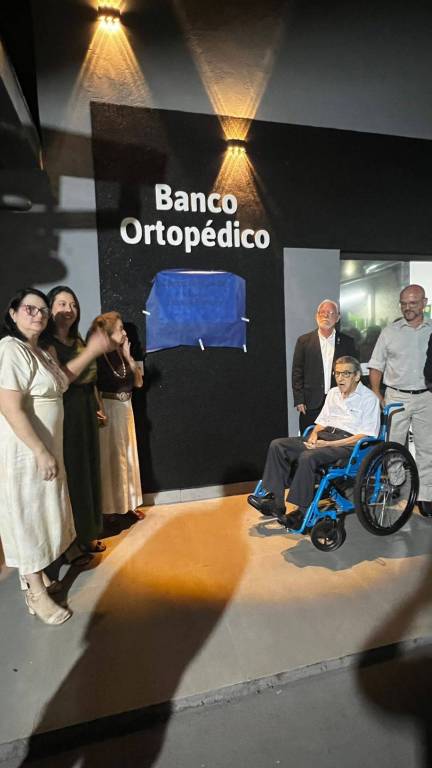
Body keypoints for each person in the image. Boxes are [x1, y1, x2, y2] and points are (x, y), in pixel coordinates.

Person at [0, 288, 111, 625]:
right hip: (26, 453)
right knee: (28, 516)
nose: (38, 314)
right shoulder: (11, 349)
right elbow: (8, 405)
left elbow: (64, 379)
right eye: (30, 309)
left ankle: (36, 578)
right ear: (13, 313)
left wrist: (92, 350)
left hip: (48, 449)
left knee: (45, 513)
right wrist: (39, 450)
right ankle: (35, 591)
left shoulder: (41, 352)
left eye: (42, 310)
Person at [248, 357, 380, 529]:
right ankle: (275, 502)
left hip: (348, 445)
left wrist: (329, 444)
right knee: (278, 445)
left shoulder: (369, 398)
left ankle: (301, 512)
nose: (340, 378)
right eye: (337, 373)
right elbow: (322, 421)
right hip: (325, 436)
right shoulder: (333, 393)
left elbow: (366, 435)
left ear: (356, 376)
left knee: (307, 457)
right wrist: (314, 434)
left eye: (346, 374)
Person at [47, 286, 105, 554]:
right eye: (61, 304)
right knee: (74, 475)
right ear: (50, 309)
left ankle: (88, 533)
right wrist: (92, 351)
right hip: (66, 413)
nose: (68, 310)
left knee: (90, 471)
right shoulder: (47, 345)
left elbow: (91, 380)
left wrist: (97, 406)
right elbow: (62, 379)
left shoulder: (78, 340)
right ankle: (72, 540)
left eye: (73, 305)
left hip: (86, 411)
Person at [368, 284, 432, 517]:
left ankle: (426, 496)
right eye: (403, 303)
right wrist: (377, 393)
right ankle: (395, 483)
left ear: (424, 303)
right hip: (396, 396)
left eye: (413, 303)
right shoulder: (389, 332)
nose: (407, 307)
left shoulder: (431, 330)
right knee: (394, 445)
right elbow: (376, 365)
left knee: (428, 448)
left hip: (426, 397)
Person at [89, 311, 144, 522]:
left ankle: (127, 504)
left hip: (126, 409)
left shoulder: (123, 353)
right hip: (109, 409)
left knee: (128, 457)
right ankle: (109, 510)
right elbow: (92, 385)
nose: (124, 333)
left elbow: (138, 383)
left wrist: (129, 357)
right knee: (111, 459)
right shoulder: (97, 356)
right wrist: (99, 407)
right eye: (120, 329)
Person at [292, 300, 357, 432]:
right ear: (317, 316)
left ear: (337, 318)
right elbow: (297, 372)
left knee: (335, 439)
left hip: (339, 402)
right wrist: (299, 399)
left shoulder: (347, 342)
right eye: (322, 312)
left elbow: (353, 371)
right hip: (311, 403)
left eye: (331, 313)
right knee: (309, 438)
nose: (326, 316)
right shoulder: (304, 341)